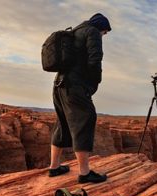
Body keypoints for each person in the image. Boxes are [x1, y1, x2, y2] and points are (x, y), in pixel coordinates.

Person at [47, 13, 111, 183]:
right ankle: (84, 173)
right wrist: (94, 82)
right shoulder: (92, 32)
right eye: (105, 32)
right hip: (75, 86)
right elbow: (95, 58)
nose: (104, 35)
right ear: (101, 27)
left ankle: (54, 167)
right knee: (85, 120)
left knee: (62, 123)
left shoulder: (75, 31)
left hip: (59, 84)